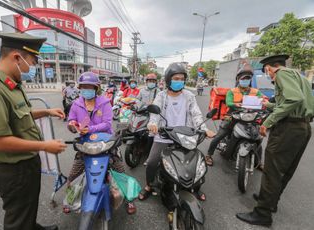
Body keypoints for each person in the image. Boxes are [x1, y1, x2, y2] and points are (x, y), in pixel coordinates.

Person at [0, 33, 67, 230]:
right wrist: (44, 145)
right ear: (16, 57)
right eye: (31, 62)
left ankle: (31, 225)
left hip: (26, 164)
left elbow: (20, 115)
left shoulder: (11, 84)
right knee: (17, 219)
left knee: (27, 208)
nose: (31, 68)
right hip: (13, 169)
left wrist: (46, 111)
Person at [236, 55, 314, 227]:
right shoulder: (300, 77)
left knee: (272, 171)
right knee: (286, 169)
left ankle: (262, 214)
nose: (269, 76)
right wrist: (267, 104)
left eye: (267, 72)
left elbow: (294, 100)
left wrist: (268, 121)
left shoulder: (281, 74)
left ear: (269, 68)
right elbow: (291, 102)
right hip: (303, 127)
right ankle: (271, 202)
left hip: (287, 128)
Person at [138, 62, 215, 202]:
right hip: (164, 135)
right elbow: (154, 114)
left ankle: (196, 187)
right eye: (176, 79)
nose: (179, 81)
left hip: (185, 136)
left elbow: (196, 114)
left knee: (196, 162)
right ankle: (149, 185)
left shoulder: (189, 96)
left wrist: (205, 129)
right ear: (168, 79)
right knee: (151, 162)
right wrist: (153, 124)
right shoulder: (161, 96)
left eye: (181, 79)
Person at [67, 72, 137, 215]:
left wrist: (89, 129)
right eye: (83, 87)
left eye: (90, 87)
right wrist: (72, 126)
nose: (86, 90)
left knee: (119, 168)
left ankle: (130, 199)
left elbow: (107, 124)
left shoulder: (104, 102)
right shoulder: (76, 103)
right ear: (80, 88)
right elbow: (70, 120)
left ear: (96, 88)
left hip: (106, 142)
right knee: (73, 174)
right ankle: (70, 199)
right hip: (86, 144)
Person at [205, 68, 263, 166]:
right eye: (243, 78)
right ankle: (208, 155)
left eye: (248, 78)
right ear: (238, 79)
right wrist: (235, 105)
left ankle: (258, 162)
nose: (245, 80)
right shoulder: (232, 91)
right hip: (232, 116)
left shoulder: (256, 92)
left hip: (249, 117)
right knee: (220, 135)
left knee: (256, 137)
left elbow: (262, 101)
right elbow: (228, 102)